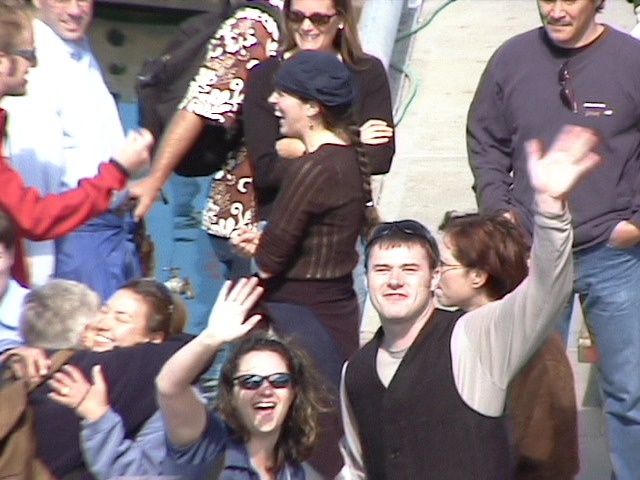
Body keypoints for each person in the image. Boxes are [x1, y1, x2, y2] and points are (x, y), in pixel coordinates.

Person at [340, 125, 600, 479]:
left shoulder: (472, 339)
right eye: (382, 269)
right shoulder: (355, 372)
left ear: (434, 278)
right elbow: (357, 469)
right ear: (366, 278)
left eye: (410, 269)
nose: (395, 280)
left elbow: (545, 294)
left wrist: (551, 210)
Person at [466, 1, 640, 476]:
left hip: (613, 255)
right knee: (528, 390)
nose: (556, 10)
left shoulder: (630, 62)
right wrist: (500, 212)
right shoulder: (511, 59)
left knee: (630, 393)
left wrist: (635, 224)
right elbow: (485, 140)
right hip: (532, 254)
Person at [130, 0, 283, 334]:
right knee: (236, 338)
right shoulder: (254, 25)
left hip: (264, 217)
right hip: (247, 221)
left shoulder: (293, 24)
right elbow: (200, 105)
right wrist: (155, 180)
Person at [0, 2, 152, 288]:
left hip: (104, 225)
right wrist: (117, 171)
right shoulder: (41, 75)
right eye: (28, 56)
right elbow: (34, 216)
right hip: (75, 235)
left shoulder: (80, 52)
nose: (75, 10)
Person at [2, 277, 191, 478]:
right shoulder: (58, 361)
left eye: (121, 318)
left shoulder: (166, 394)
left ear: (154, 338)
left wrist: (99, 418)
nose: (103, 323)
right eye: (104, 311)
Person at [438, 211, 579, 480]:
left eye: (444, 265)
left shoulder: (537, 352)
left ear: (477, 276)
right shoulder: (451, 330)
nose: (435, 274)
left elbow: (549, 456)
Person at [157, 277, 325, 480]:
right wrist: (211, 338)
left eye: (279, 381)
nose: (266, 390)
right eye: (251, 382)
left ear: (294, 392)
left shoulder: (298, 474)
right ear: (231, 393)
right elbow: (169, 386)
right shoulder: (206, 446)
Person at [244, 0, 394, 220]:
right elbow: (267, 170)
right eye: (296, 17)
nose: (306, 26)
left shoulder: (367, 71)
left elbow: (380, 158)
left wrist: (301, 146)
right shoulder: (264, 76)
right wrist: (353, 140)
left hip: (345, 221)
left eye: (319, 19)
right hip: (282, 220)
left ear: (341, 19)